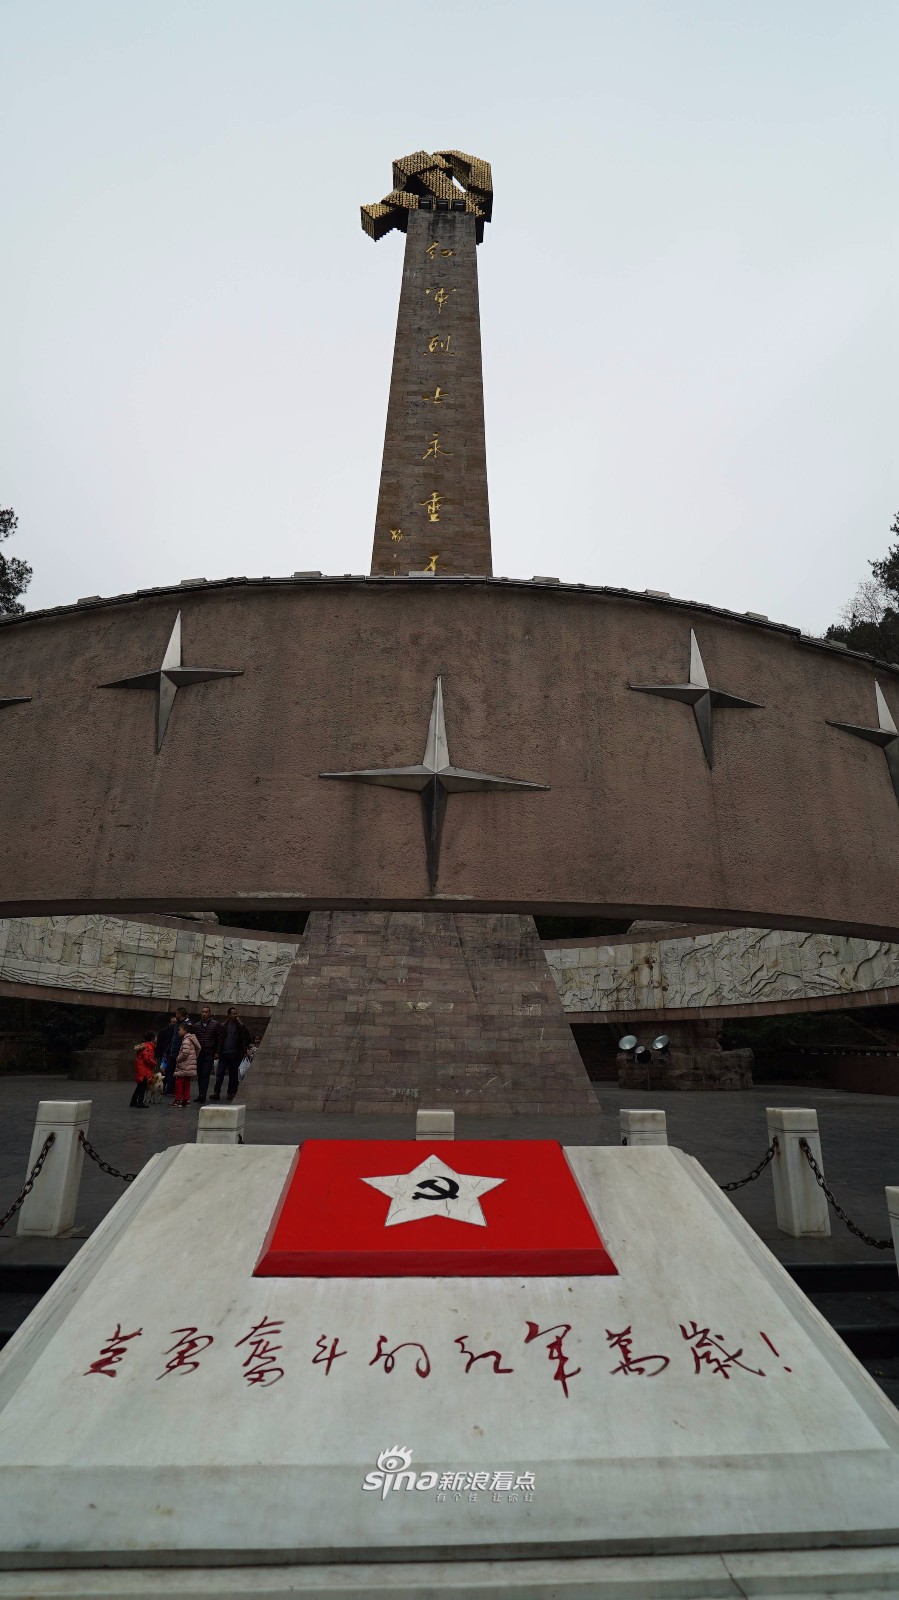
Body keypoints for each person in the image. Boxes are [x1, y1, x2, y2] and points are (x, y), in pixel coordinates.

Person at [211, 1008, 251, 1103]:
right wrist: (217, 1052)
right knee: (220, 1074)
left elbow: (248, 1038)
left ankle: (231, 1092)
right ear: (229, 1015)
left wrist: (242, 1025)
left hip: (235, 1055)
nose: (235, 1015)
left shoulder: (240, 1026)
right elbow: (219, 1040)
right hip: (224, 1054)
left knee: (233, 1076)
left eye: (236, 1013)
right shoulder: (223, 1026)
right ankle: (216, 1092)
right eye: (234, 1014)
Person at [192, 1005, 221, 1105]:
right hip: (199, 1053)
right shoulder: (196, 1025)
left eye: (206, 1012)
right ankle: (200, 1094)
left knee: (205, 1074)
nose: (204, 1014)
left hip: (209, 1052)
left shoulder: (215, 1024)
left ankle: (203, 1095)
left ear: (209, 1013)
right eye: (202, 1012)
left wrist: (217, 1052)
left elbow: (219, 1039)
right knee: (200, 1074)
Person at [161, 1008, 190, 1096]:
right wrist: (167, 1051)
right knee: (169, 1071)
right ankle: (169, 1088)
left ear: (180, 1014)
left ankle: (175, 1090)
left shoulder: (187, 1024)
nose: (175, 1015)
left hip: (180, 1052)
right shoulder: (177, 1024)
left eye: (176, 1013)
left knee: (178, 1073)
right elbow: (173, 1039)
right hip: (172, 1052)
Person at [173, 1021, 201, 1108]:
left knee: (179, 1082)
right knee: (186, 1083)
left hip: (184, 1065)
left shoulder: (186, 1040)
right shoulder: (192, 1039)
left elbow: (185, 1052)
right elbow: (198, 1048)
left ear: (185, 1031)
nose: (178, 1032)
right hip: (189, 1065)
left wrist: (178, 1058)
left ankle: (178, 1100)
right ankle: (186, 1100)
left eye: (180, 1030)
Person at [130, 1031, 157, 1109]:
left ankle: (133, 1101)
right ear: (152, 1039)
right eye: (156, 1038)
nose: (156, 1039)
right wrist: (154, 1063)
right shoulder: (148, 1047)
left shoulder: (144, 1046)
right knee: (143, 1087)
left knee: (140, 1086)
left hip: (141, 1069)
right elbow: (147, 1059)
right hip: (144, 1070)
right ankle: (140, 1102)